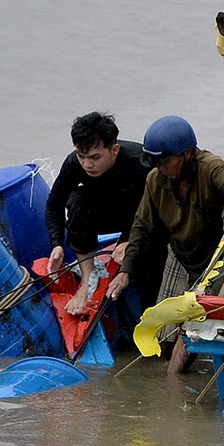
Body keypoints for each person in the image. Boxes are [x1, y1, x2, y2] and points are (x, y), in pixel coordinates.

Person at [106, 115, 224, 371]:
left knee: (190, 333)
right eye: (155, 162)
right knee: (162, 336)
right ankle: (166, 380)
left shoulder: (210, 167)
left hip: (215, 262)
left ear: (188, 153)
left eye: (165, 160)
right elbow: (141, 226)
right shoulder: (155, 180)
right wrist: (125, 271)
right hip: (180, 256)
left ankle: (178, 376)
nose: (161, 167)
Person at [43, 111, 157, 317]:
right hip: (104, 212)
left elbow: (160, 209)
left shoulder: (141, 163)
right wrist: (57, 244)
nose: (87, 164)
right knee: (76, 201)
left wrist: (130, 240)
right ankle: (87, 280)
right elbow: (54, 204)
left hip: (142, 215)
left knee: (150, 270)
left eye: (95, 157)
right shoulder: (74, 163)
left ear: (114, 150)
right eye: (82, 156)